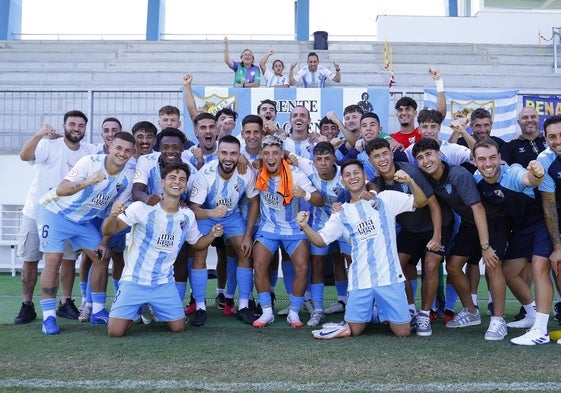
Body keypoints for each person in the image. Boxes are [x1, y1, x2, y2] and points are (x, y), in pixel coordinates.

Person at [297, 159, 428, 339]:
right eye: (347, 175)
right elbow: (321, 241)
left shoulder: (385, 198)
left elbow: (420, 202)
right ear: (342, 182)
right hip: (360, 281)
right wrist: (305, 226)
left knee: (403, 333)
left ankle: (378, 311)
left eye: (356, 173)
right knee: (355, 330)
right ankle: (374, 313)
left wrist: (411, 182)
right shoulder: (341, 212)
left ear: (365, 176)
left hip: (389, 278)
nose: (353, 177)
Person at [103, 162, 224, 337]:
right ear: (162, 182)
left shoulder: (187, 215)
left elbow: (197, 244)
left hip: (163, 284)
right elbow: (108, 230)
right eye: (172, 178)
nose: (177, 182)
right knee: (115, 332)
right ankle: (140, 307)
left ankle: (153, 305)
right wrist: (113, 215)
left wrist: (213, 234)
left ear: (186, 184)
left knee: (178, 327)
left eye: (182, 179)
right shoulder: (142, 208)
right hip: (134, 281)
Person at [36, 132, 136, 335]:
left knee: (101, 255)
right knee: (54, 260)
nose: (122, 153)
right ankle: (48, 317)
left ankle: (98, 311)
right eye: (118, 148)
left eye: (127, 150)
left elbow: (113, 215)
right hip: (54, 212)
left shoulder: (127, 179)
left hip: (82, 222)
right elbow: (62, 189)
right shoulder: (90, 162)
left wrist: (104, 242)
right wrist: (88, 182)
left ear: (132, 153)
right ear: (110, 147)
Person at [14, 110, 96, 325]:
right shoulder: (47, 145)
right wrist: (39, 134)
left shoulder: (88, 151)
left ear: (85, 129)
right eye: (72, 124)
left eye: (80, 125)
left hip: (67, 216)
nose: (76, 128)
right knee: (31, 260)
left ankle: (65, 302)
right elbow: (24, 156)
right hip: (36, 211)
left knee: (68, 260)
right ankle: (27, 305)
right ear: (63, 125)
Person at [412, 138, 497, 333]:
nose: (426, 161)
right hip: (469, 225)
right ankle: (471, 311)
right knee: (453, 266)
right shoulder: (429, 179)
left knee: (495, 266)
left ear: (440, 155)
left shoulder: (458, 175)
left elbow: (478, 209)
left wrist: (485, 245)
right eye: (420, 158)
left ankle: (505, 317)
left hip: (490, 223)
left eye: (429, 155)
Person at [367, 138, 446, 337]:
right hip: (410, 231)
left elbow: (434, 205)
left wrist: (437, 236)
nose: (382, 159)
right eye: (376, 156)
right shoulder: (377, 184)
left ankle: (425, 315)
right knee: (397, 265)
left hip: (432, 226)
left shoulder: (410, 171)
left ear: (391, 154)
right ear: (370, 161)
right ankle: (410, 309)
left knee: (430, 265)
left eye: (385, 154)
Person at [472, 139, 544, 340]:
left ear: (500, 158)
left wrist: (536, 174)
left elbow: (529, 179)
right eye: (482, 159)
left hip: (538, 224)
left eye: (493, 158)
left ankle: (540, 320)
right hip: (517, 227)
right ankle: (532, 314)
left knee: (543, 268)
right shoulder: (476, 177)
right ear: (475, 161)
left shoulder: (512, 173)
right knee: (508, 271)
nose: (488, 163)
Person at [251, 135, 324, 328]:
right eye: (266, 153)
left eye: (275, 152)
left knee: (302, 267)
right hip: (268, 228)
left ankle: (294, 313)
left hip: (293, 228)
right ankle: (267, 312)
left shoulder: (295, 173)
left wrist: (304, 194)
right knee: (258, 265)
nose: (271, 157)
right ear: (261, 155)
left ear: (282, 154)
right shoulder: (256, 170)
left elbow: (319, 199)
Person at [188, 135, 260, 326]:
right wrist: (211, 212)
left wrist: (247, 235)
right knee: (199, 252)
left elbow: (254, 202)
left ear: (239, 155)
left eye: (234, 154)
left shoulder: (246, 173)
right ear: (218, 154)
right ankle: (200, 307)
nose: (229, 158)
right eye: (225, 153)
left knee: (245, 251)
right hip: (206, 215)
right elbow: (194, 209)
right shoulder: (205, 173)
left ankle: (243, 305)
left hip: (232, 217)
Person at [511, 115, 561, 345]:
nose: (557, 141)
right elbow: (549, 206)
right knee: (543, 263)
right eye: (552, 136)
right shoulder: (545, 159)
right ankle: (539, 330)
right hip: (555, 218)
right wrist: (558, 246)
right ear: (545, 137)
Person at [289, 142, 348, 326]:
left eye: (327, 158)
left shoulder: (345, 173)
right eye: (319, 159)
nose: (323, 163)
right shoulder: (307, 167)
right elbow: (283, 153)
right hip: (321, 225)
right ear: (313, 160)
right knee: (317, 263)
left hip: (346, 224)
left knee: (349, 262)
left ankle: (347, 302)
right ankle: (318, 309)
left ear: (334, 159)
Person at [390, 68, 446, 149]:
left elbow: (440, 114)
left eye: (408, 109)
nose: (403, 113)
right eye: (400, 110)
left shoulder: (424, 131)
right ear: (397, 114)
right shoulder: (391, 138)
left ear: (415, 113)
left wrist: (439, 82)